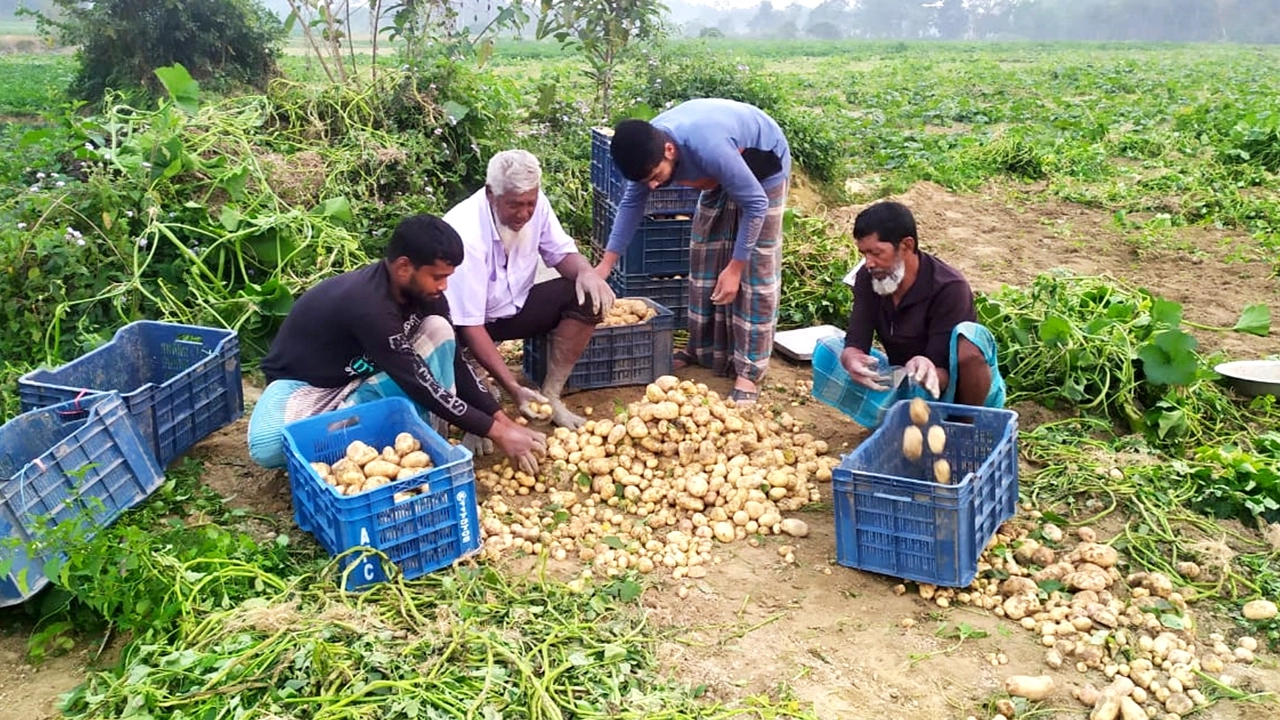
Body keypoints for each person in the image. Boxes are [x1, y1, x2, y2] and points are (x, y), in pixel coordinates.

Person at [246, 214, 548, 474]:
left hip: (366, 378)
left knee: (440, 330)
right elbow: (418, 382)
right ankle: (367, 424)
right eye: (438, 277)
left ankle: (395, 429)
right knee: (267, 446)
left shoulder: (428, 297)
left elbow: (455, 363)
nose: (444, 287)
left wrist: (501, 420)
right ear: (404, 267)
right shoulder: (370, 306)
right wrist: (496, 431)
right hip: (307, 388)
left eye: (448, 277)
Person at [600, 98, 790, 405]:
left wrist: (736, 267)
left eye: (654, 177)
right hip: (718, 170)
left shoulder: (708, 147)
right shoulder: (647, 154)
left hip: (763, 168)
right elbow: (631, 205)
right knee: (704, 256)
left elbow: (756, 205)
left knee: (756, 271)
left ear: (670, 151)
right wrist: (605, 266)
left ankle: (749, 371)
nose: (651, 186)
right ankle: (701, 349)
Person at [442, 149, 615, 432]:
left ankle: (552, 396)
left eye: (529, 203)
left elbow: (559, 253)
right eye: (514, 205)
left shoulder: (537, 205)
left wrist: (587, 272)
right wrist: (513, 388)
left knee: (584, 297)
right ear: (490, 194)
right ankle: (481, 409)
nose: (524, 213)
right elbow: (471, 325)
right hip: (464, 327)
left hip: (512, 309)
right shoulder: (466, 234)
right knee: (453, 341)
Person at [840, 201, 1006, 412]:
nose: (869, 262)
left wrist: (926, 366)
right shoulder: (868, 277)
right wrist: (852, 358)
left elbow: (945, 374)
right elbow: (856, 338)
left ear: (906, 246)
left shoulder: (949, 288)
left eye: (877, 253)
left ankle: (965, 426)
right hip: (908, 382)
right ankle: (897, 413)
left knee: (969, 346)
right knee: (830, 350)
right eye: (864, 254)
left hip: (957, 390)